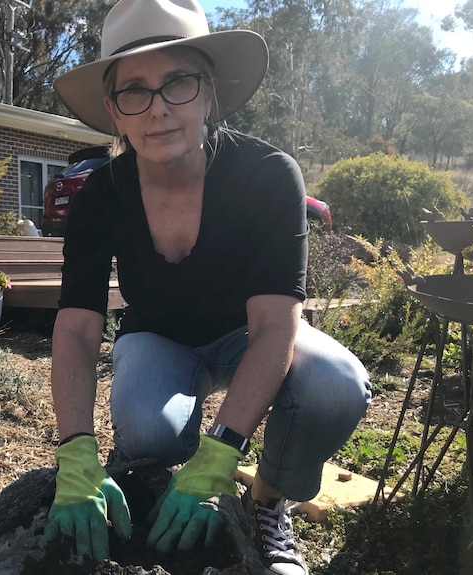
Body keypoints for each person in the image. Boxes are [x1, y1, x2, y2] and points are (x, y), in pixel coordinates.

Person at [42, 1, 373, 574]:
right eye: (135, 92)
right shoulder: (98, 197)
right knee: (148, 432)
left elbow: (275, 326)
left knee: (334, 384)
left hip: (250, 335)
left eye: (179, 83)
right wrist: (73, 450)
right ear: (114, 111)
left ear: (210, 91)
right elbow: (76, 327)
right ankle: (144, 469)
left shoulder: (267, 175)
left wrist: (223, 452)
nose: (160, 110)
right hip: (158, 339)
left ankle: (266, 501)